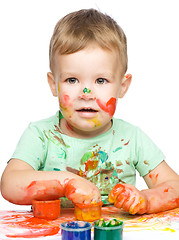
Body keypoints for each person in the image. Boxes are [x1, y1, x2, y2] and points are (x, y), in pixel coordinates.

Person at [1, 9, 179, 214]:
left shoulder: (132, 138)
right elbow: (9, 183)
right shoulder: (41, 135)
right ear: (53, 84)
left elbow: (173, 185)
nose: (86, 93)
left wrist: (146, 199)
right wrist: (66, 183)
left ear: (122, 86)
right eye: (72, 80)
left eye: (101, 80)